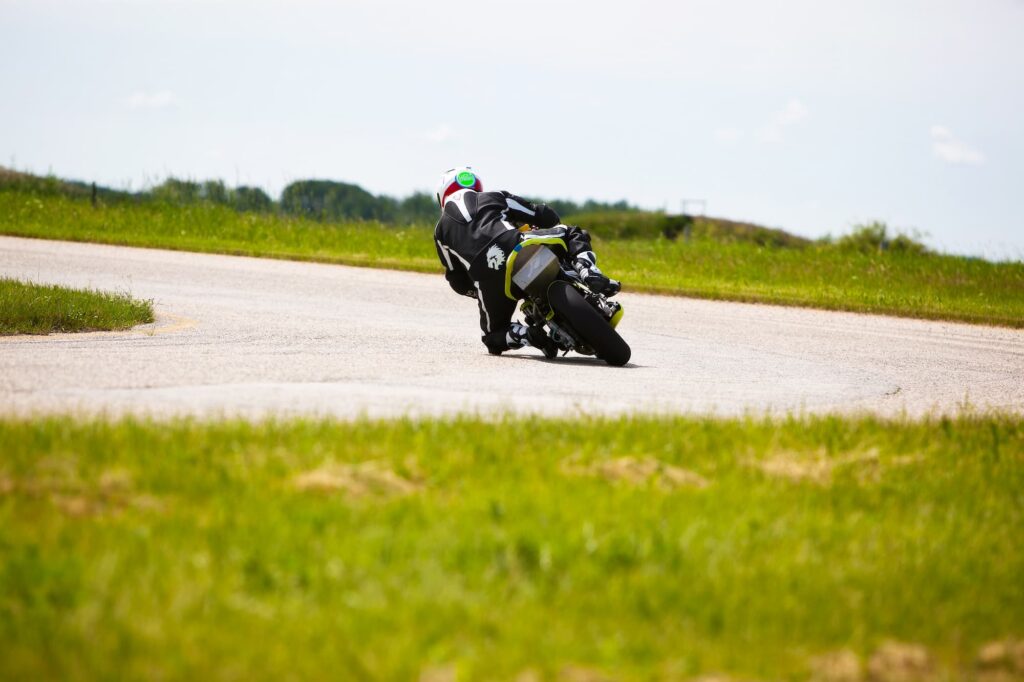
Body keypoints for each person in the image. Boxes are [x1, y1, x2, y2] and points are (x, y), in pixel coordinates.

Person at [433, 166, 620, 357]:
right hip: (513, 242)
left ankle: (526, 335)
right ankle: (589, 272)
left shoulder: (440, 231)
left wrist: (481, 291)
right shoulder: (495, 196)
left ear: (442, 195)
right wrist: (538, 219)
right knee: (572, 232)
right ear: (477, 185)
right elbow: (545, 216)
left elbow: (457, 281)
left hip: (485, 275)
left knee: (492, 337)